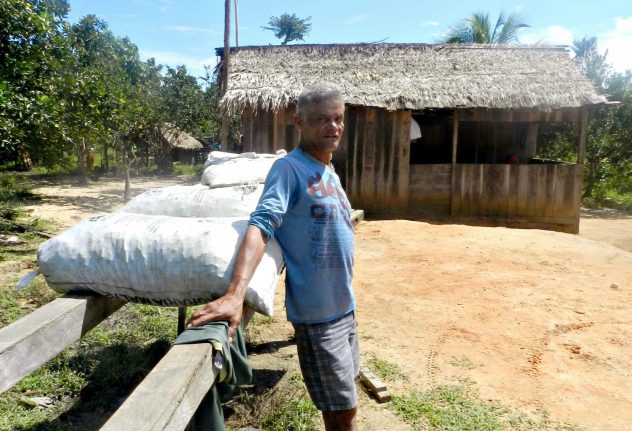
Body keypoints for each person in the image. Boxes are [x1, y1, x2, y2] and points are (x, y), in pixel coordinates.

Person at [187, 82, 359, 430]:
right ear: (300, 122)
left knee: (347, 404)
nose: (334, 127)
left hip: (346, 308)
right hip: (318, 316)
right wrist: (235, 294)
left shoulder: (329, 170)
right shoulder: (289, 169)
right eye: (323, 119)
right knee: (342, 414)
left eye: (338, 119)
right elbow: (261, 224)